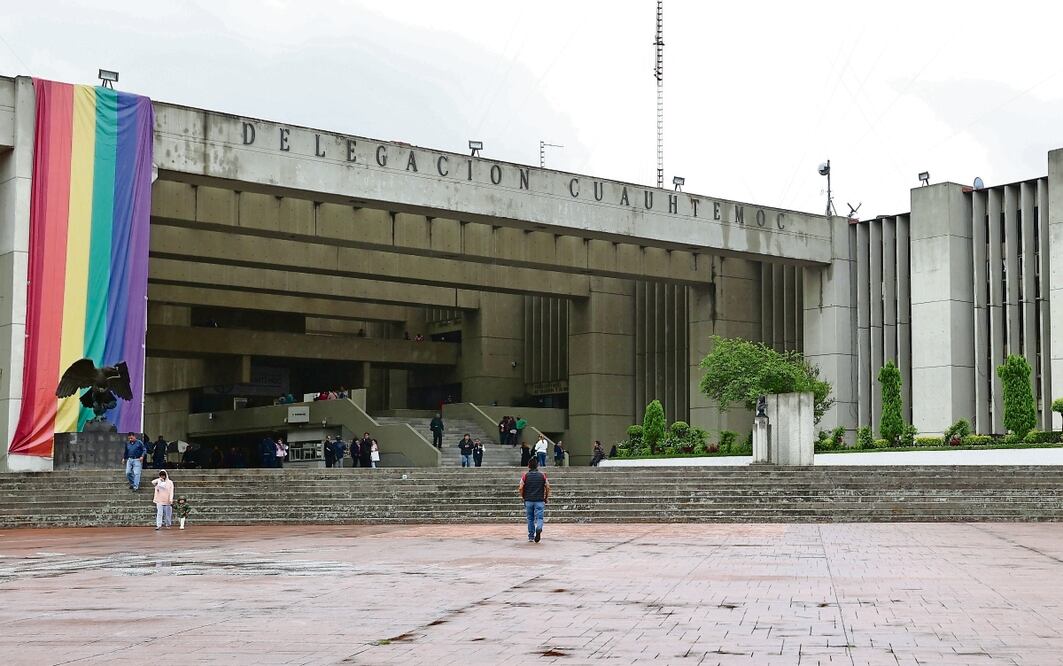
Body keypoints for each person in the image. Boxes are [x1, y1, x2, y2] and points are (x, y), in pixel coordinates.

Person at [519, 458, 550, 543]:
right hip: (539, 500)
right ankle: (539, 528)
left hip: (528, 500)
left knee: (530, 519)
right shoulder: (542, 475)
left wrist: (523, 497)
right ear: (537, 465)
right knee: (540, 517)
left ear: (528, 466)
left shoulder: (525, 476)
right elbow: (547, 487)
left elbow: (521, 487)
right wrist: (546, 497)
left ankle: (531, 536)